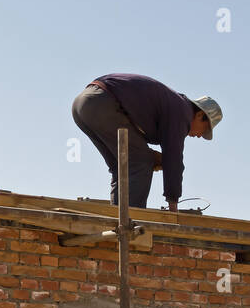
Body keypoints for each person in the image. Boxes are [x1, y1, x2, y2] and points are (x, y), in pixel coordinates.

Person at [71, 73, 221, 210]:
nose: (200, 136)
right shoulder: (183, 113)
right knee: (141, 162)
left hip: (83, 104)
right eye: (205, 129)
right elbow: (173, 158)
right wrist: (173, 205)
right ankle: (130, 221)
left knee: (121, 166)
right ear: (200, 115)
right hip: (102, 103)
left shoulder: (173, 105)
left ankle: (117, 218)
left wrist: (151, 155)